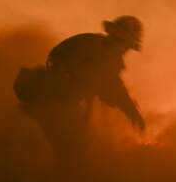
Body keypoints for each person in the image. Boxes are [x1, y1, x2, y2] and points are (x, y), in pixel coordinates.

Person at [15, 16, 146, 159]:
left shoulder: (109, 59)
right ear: (118, 39)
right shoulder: (89, 45)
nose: (126, 50)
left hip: (64, 105)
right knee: (70, 151)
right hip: (52, 101)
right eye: (126, 45)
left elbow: (114, 89)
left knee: (74, 149)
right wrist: (66, 79)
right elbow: (57, 59)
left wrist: (132, 112)